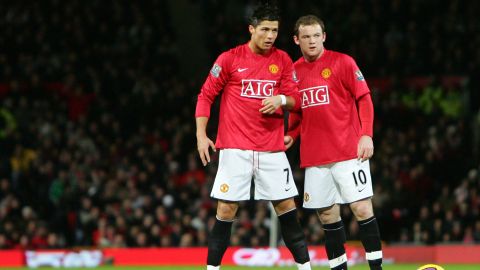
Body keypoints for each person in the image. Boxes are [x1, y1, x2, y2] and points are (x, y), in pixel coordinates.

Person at [195, 3, 311, 270]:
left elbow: (297, 101)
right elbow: (206, 95)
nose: (270, 35)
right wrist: (202, 135)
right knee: (225, 212)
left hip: (271, 149)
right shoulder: (229, 59)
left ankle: (305, 268)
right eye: (265, 29)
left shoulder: (282, 60)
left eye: (275, 30)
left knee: (287, 211)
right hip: (235, 149)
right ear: (251, 29)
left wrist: (281, 99)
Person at [285, 15, 383, 270]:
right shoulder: (293, 72)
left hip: (349, 151)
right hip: (315, 157)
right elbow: (296, 112)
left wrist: (366, 134)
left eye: (317, 35)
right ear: (297, 40)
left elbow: (364, 98)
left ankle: (377, 269)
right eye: (306, 37)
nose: (312, 41)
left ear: (324, 36)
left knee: (362, 209)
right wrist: (291, 135)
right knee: (327, 216)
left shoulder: (343, 62)